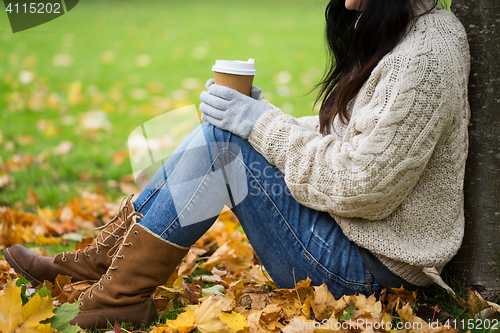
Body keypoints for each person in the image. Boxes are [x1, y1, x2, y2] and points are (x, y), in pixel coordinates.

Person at [3, 0, 470, 329]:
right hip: (353, 240)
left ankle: (119, 293)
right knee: (225, 133)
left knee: (224, 142)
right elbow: (355, 140)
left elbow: (363, 186)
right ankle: (101, 265)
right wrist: (265, 120)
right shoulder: (409, 30)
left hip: (368, 271)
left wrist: (259, 124)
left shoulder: (425, 56)